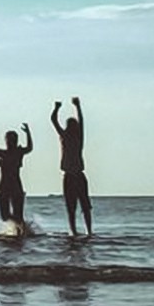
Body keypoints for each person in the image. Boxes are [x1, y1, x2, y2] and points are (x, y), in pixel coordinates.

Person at [51, 97, 93, 236]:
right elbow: (54, 121)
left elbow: (82, 122)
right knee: (72, 206)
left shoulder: (78, 138)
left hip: (78, 175)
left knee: (84, 206)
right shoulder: (65, 137)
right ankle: (74, 231)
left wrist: (77, 106)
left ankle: (88, 231)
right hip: (69, 175)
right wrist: (56, 109)